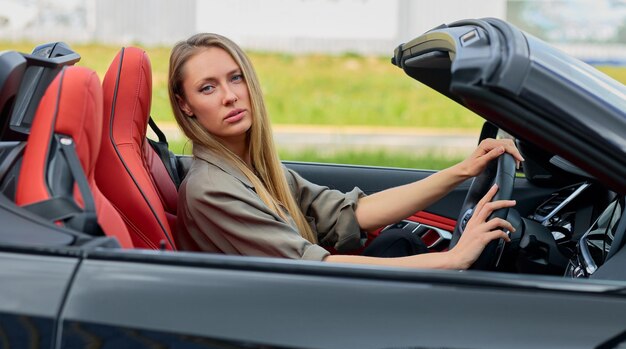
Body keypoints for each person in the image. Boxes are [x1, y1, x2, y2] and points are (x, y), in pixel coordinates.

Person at [169, 33, 523, 270]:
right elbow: (313, 266)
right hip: (289, 329)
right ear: (186, 106)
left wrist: (462, 170)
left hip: (303, 303)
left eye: (236, 78)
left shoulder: (251, 167)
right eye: (207, 88)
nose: (229, 95)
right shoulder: (210, 189)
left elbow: (348, 213)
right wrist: (453, 259)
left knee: (398, 240)